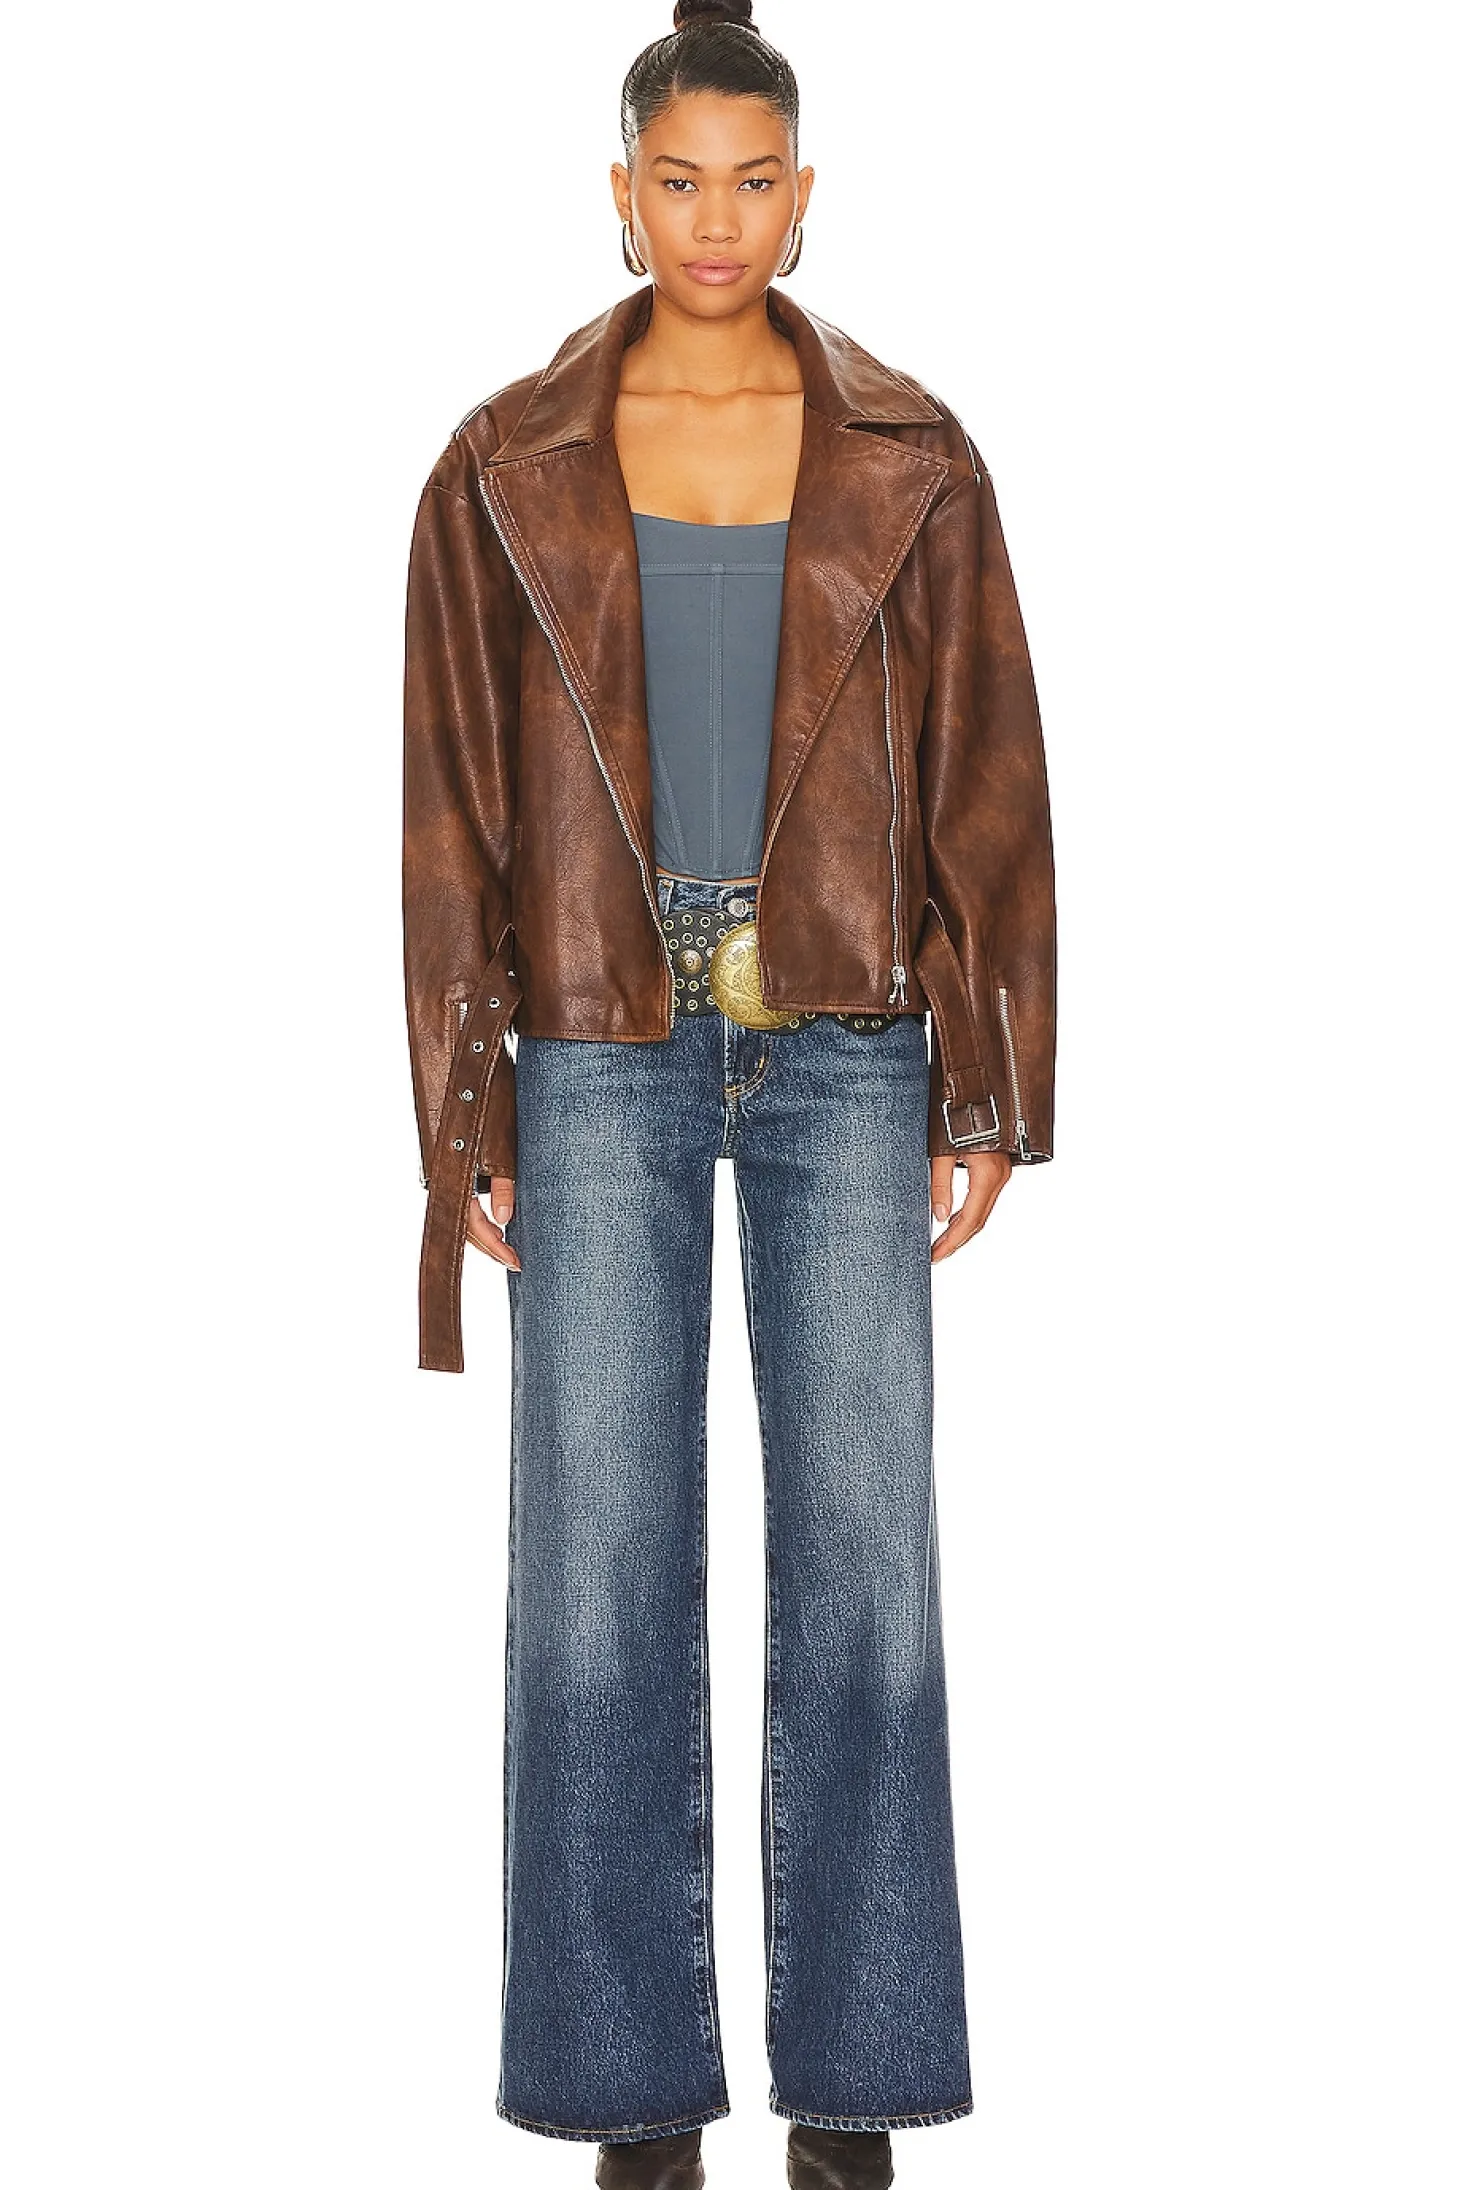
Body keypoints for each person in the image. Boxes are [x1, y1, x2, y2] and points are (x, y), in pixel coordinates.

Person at [401, 3, 1056, 2183]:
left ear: (805, 193)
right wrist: (462, 1098)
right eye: (676, 180)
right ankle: (630, 2103)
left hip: (848, 1040)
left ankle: (854, 2096)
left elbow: (988, 767)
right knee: (596, 1574)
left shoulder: (910, 453)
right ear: (620, 193)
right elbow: (448, 804)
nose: (715, 219)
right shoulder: (502, 463)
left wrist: (989, 1076)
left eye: (753, 181)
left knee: (865, 1564)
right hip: (595, 1040)